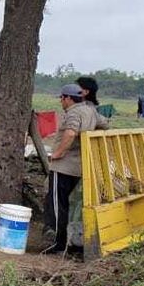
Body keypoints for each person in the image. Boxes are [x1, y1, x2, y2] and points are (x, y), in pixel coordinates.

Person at [46, 84, 109, 253]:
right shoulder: (90, 111)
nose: (61, 101)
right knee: (67, 205)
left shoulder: (73, 113)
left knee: (57, 206)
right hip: (79, 167)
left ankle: (57, 245)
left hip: (63, 167)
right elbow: (105, 124)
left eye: (62, 98)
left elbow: (70, 133)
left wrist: (58, 153)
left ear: (68, 98)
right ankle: (67, 243)